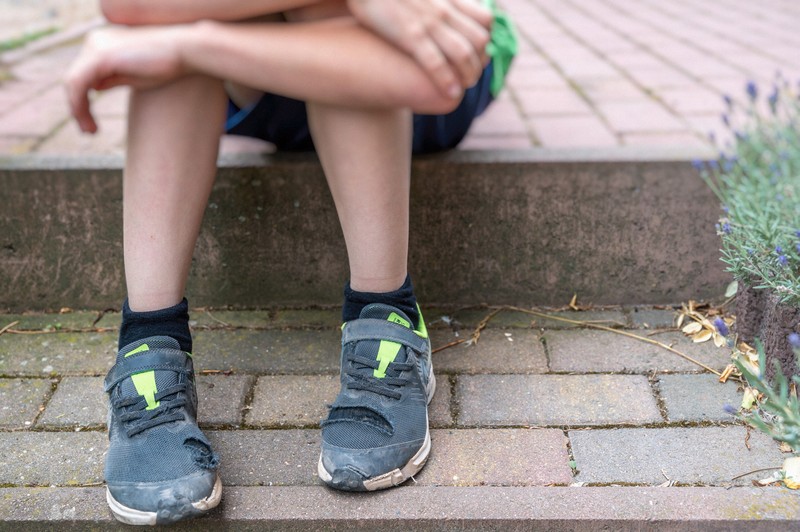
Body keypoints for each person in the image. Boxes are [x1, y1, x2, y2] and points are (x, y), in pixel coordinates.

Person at [65, 0, 516, 525]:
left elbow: (426, 83)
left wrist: (185, 45)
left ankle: (386, 309)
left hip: (428, 71)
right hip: (268, 69)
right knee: (173, 15)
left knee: (305, 14)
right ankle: (149, 340)